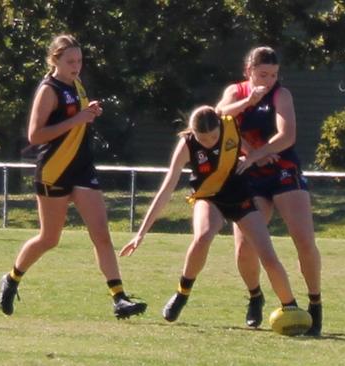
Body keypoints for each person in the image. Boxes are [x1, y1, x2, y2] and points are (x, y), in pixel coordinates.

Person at [0, 34, 147, 319]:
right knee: (49, 238)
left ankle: (119, 299)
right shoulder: (49, 89)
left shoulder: (77, 84)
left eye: (79, 60)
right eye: (70, 61)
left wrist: (89, 112)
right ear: (55, 60)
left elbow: (75, 121)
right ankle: (12, 278)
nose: (77, 66)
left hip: (81, 168)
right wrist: (78, 119)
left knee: (101, 233)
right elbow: (35, 135)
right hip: (54, 170)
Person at [119, 105, 304, 324]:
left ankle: (287, 306)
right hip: (208, 197)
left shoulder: (229, 126)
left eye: (213, 137)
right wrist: (141, 233)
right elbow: (166, 189)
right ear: (193, 132)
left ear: (220, 126)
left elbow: (243, 145)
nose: (209, 142)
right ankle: (182, 293)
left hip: (240, 196)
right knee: (203, 236)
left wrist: (254, 158)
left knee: (267, 255)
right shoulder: (187, 145)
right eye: (203, 138)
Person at [215, 46, 323, 336]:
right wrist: (250, 149)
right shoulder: (236, 92)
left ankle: (315, 304)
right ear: (248, 71)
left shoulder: (281, 95)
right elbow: (219, 118)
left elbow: (287, 135)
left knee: (303, 238)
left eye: (274, 74)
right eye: (262, 74)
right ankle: (254, 295)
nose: (269, 80)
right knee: (244, 246)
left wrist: (257, 153)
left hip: (282, 169)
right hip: (249, 175)